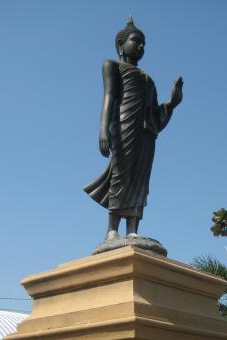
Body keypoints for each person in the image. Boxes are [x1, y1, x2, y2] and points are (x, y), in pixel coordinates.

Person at [83, 17, 183, 239]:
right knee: (121, 174)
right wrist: (103, 129)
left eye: (143, 43)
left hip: (145, 134)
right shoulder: (112, 66)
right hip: (123, 125)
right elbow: (109, 96)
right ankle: (112, 229)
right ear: (120, 45)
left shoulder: (149, 80)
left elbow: (154, 114)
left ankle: (133, 229)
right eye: (136, 41)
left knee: (140, 179)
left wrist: (172, 103)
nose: (141, 46)